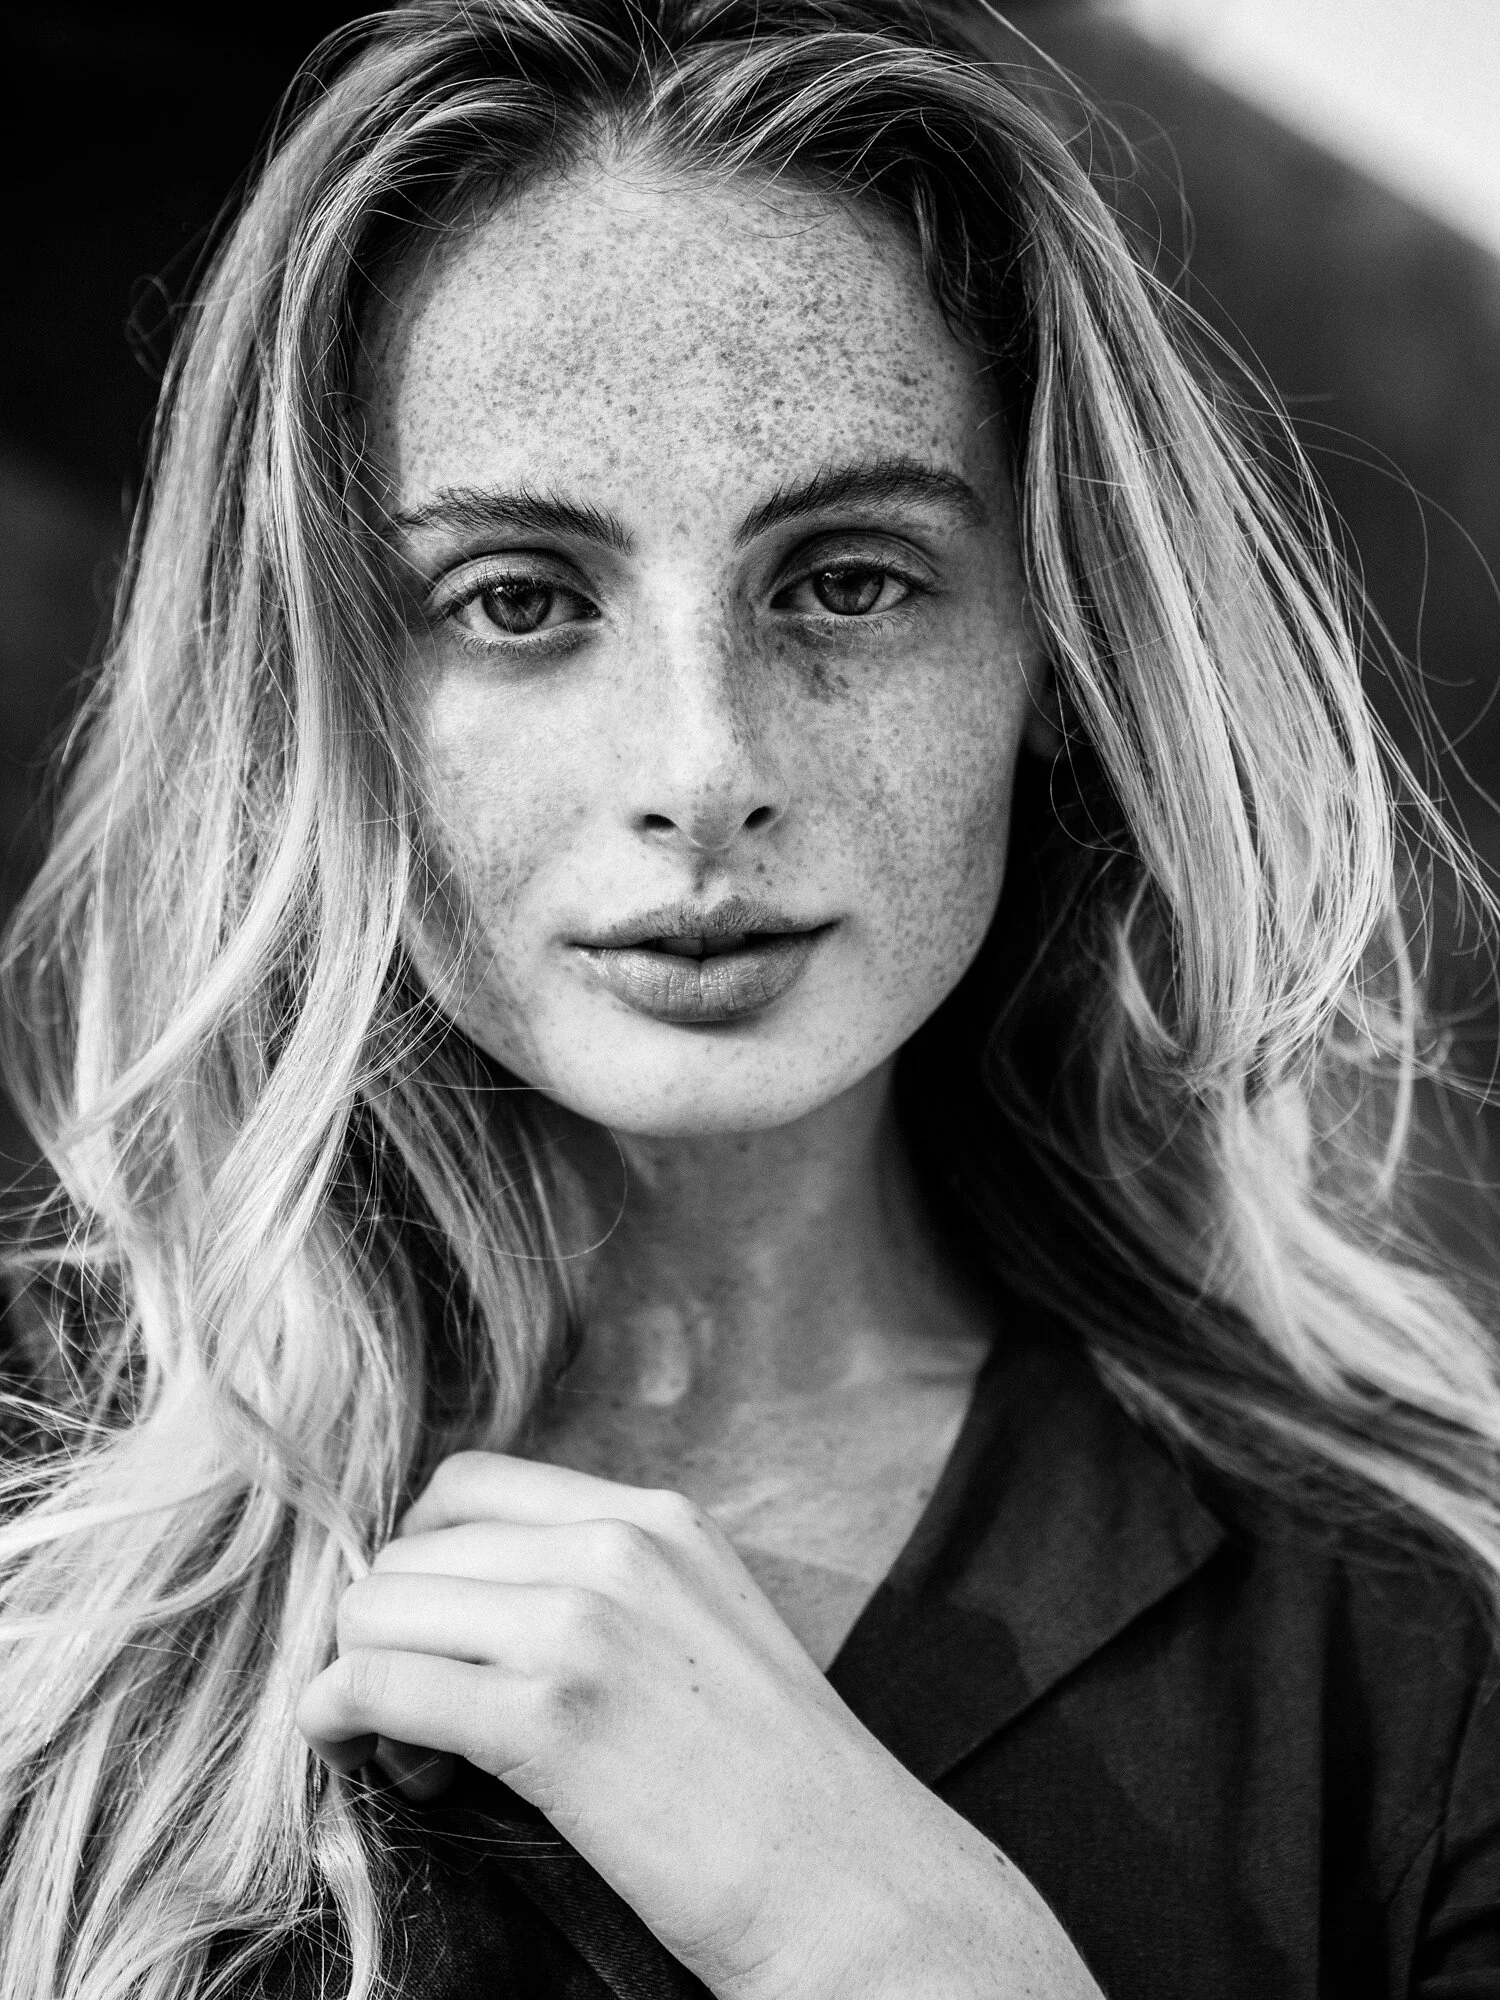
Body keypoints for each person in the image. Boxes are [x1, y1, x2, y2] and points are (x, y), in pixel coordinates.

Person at [0, 0, 1496, 1993]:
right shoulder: (63, 1692)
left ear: (1047, 649)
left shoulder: (1420, 1641)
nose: (703, 764)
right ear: (323, 696)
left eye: (850, 578)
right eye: (517, 598)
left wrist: (895, 1937)